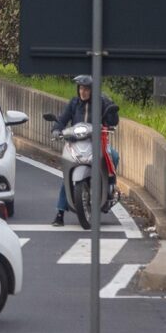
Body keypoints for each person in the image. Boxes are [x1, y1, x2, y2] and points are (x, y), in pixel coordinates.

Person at [50, 75, 120, 227]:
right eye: (81, 88)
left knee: (114, 155)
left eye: (87, 89)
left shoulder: (102, 101)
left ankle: (110, 188)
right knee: (67, 175)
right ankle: (59, 213)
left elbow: (113, 120)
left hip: (97, 142)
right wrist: (56, 129)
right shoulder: (74, 103)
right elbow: (62, 119)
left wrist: (112, 112)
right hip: (76, 143)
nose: (83, 92)